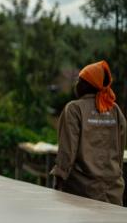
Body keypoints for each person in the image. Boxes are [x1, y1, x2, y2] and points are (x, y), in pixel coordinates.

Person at [51, 61, 126, 206]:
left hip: (81, 192)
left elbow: (67, 153)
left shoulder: (74, 109)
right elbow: (119, 150)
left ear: (86, 84)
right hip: (113, 192)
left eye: (79, 80)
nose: (76, 83)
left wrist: (58, 180)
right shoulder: (115, 110)